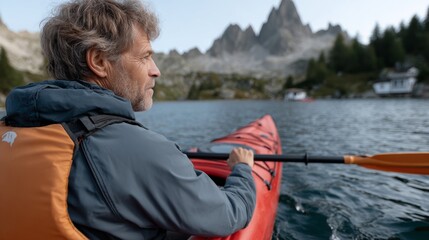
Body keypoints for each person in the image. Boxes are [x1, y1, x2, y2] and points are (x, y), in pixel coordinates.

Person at [1, 0, 256, 239]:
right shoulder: (140, 150)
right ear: (99, 61)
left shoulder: (10, 128)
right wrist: (242, 170)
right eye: (145, 56)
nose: (156, 70)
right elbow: (228, 214)